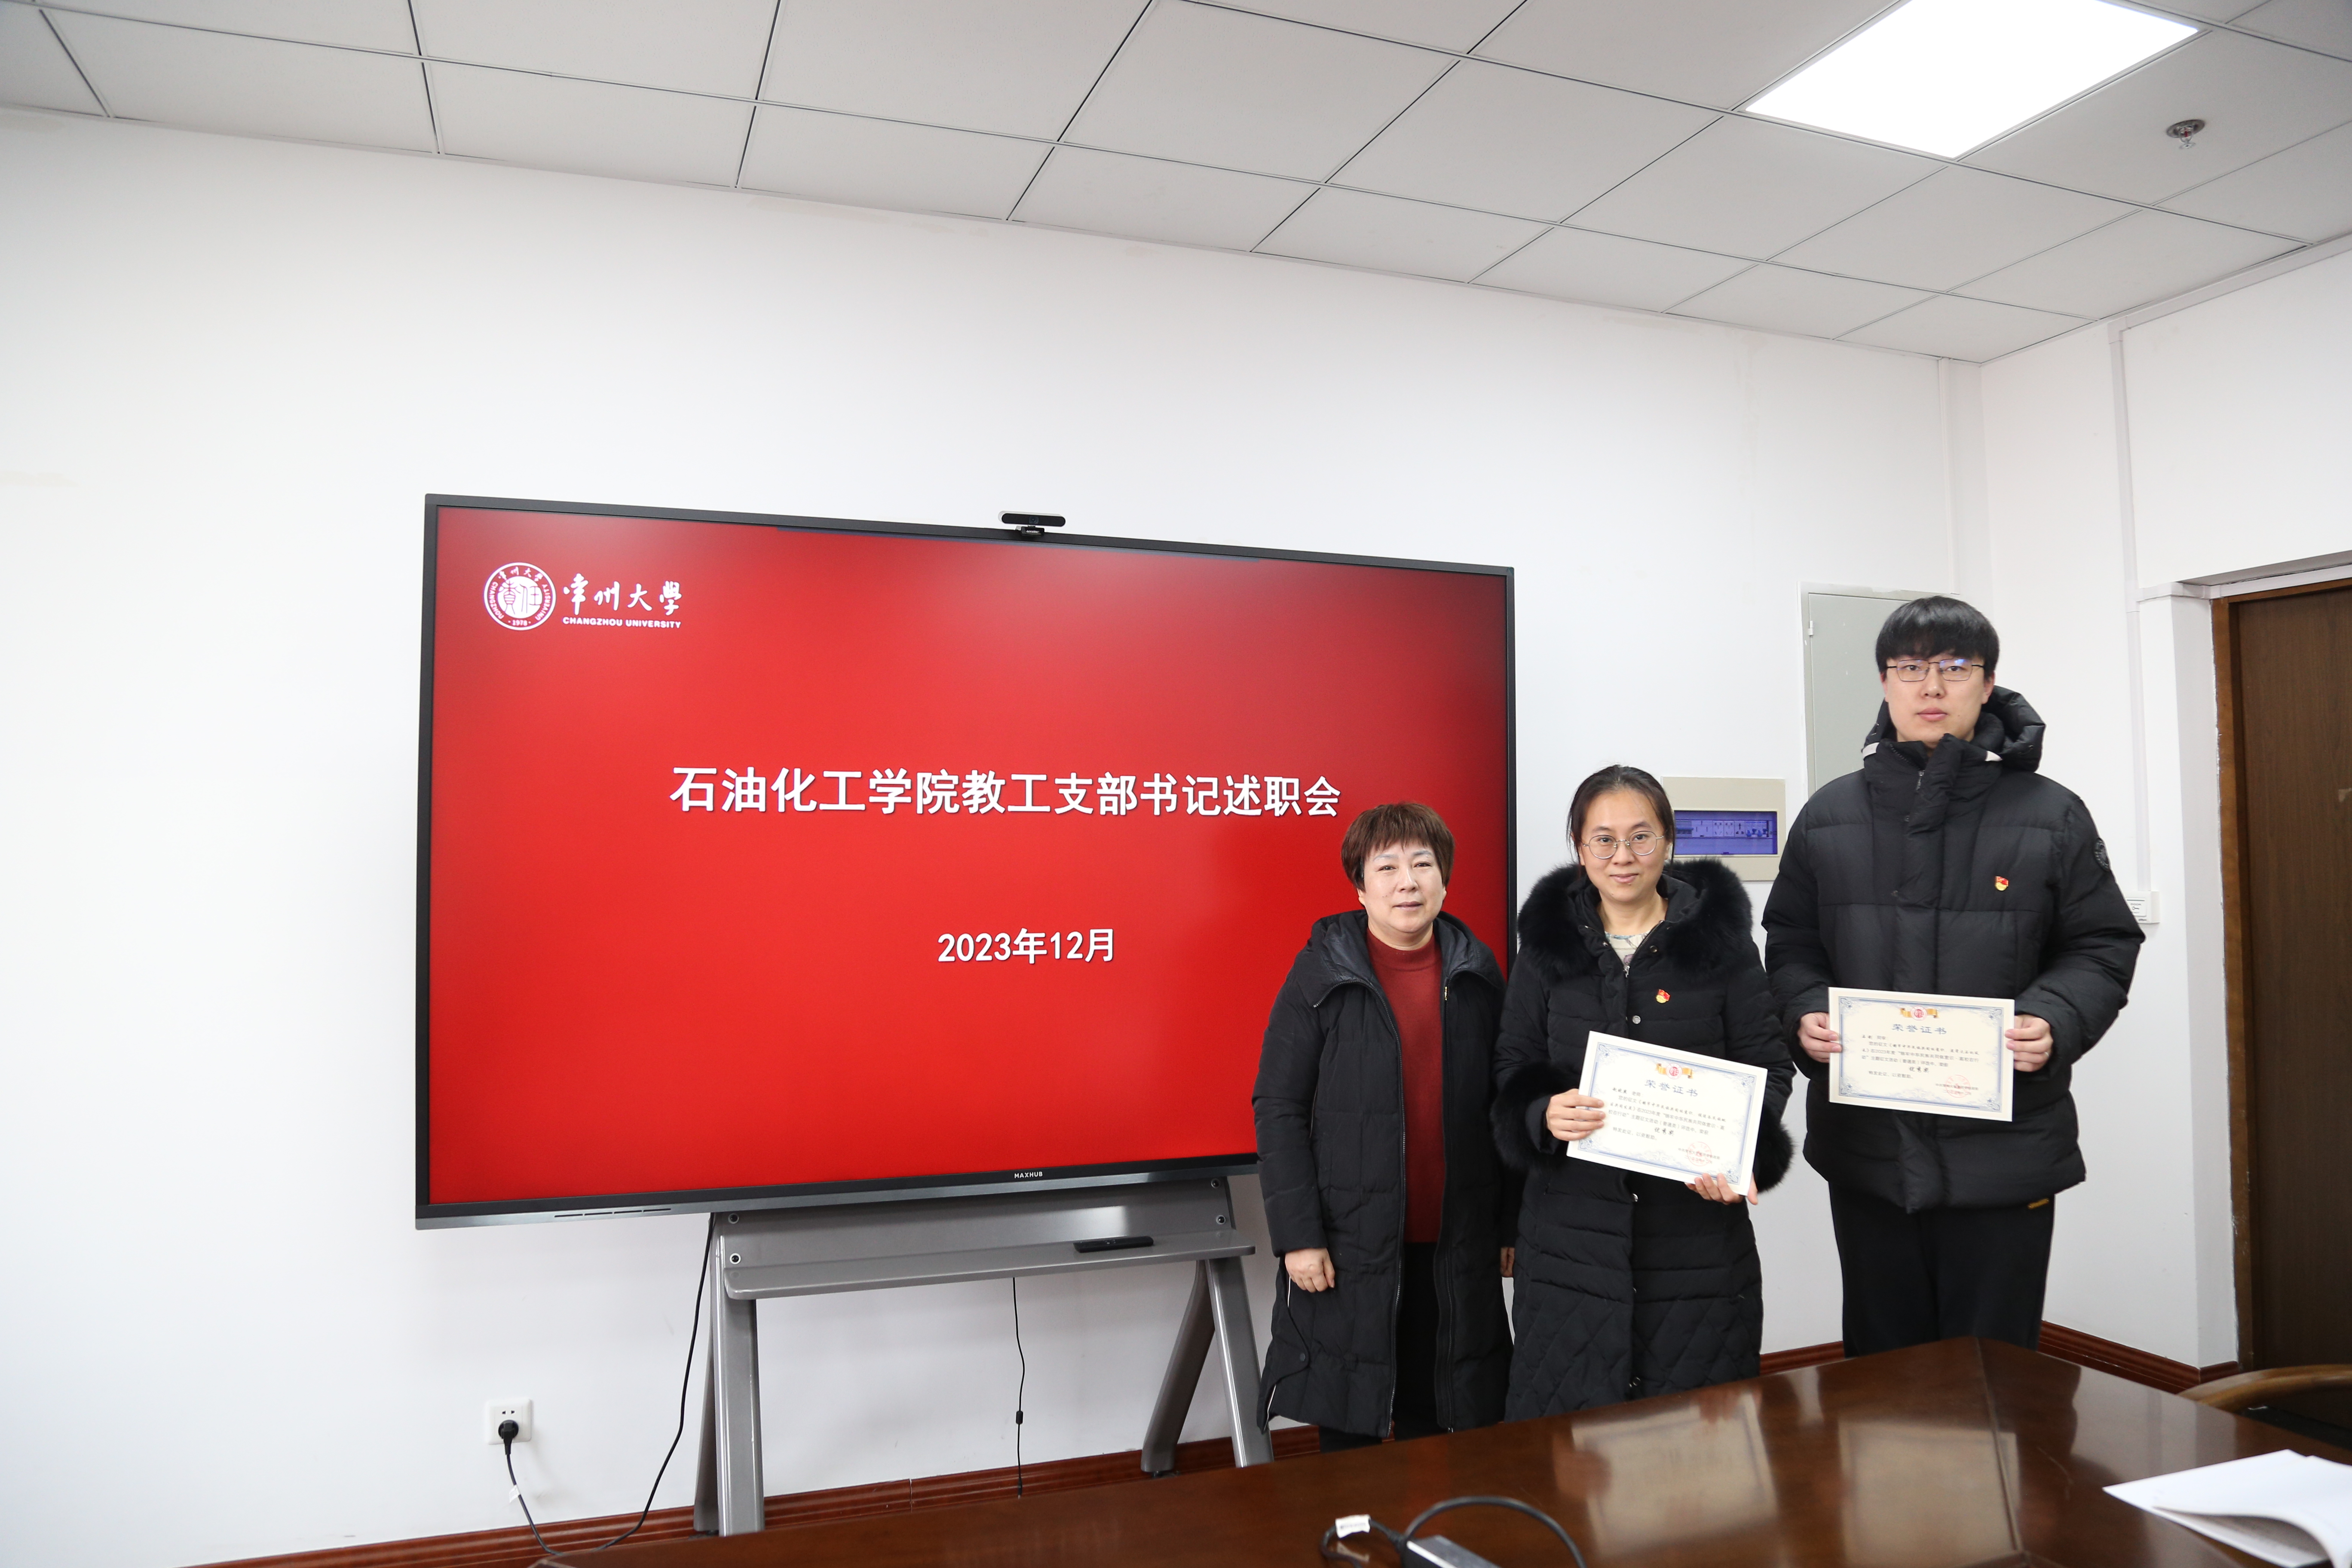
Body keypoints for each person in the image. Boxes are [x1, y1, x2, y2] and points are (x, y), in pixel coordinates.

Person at [1762, 596, 2143, 1356]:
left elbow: (2102, 943)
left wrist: (2055, 1018)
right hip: (1869, 1149)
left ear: (1988, 682)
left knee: (1992, 1375)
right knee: (1882, 1375)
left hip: (2003, 1151)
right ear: (1884, 682)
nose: (1931, 686)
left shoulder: (2052, 814)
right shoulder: (1829, 815)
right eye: (1911, 668)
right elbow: (1793, 941)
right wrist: (1804, 1010)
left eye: (1955, 667)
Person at [1492, 766, 1795, 1416]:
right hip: (1570, 1243)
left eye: (1640, 837)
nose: (1622, 857)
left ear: (1668, 841)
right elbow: (1513, 1063)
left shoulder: (1723, 945)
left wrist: (1739, 1154)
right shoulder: (1545, 947)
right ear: (1579, 848)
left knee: (1697, 1446)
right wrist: (1543, 1113)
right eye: (1603, 840)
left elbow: (1768, 1064)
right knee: (1572, 1446)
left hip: (1695, 1244)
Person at [1254, 802, 1514, 1450]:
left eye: (1423, 864)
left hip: (1456, 1245)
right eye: (1388, 867)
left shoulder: (1479, 976)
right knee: (1352, 1427)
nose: (1408, 883)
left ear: (1444, 880)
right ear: (1361, 887)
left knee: (1449, 1418)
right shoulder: (1321, 975)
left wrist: (1510, 1225)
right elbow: (1279, 1107)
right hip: (1350, 1247)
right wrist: (1299, 1237)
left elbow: (1505, 1106)